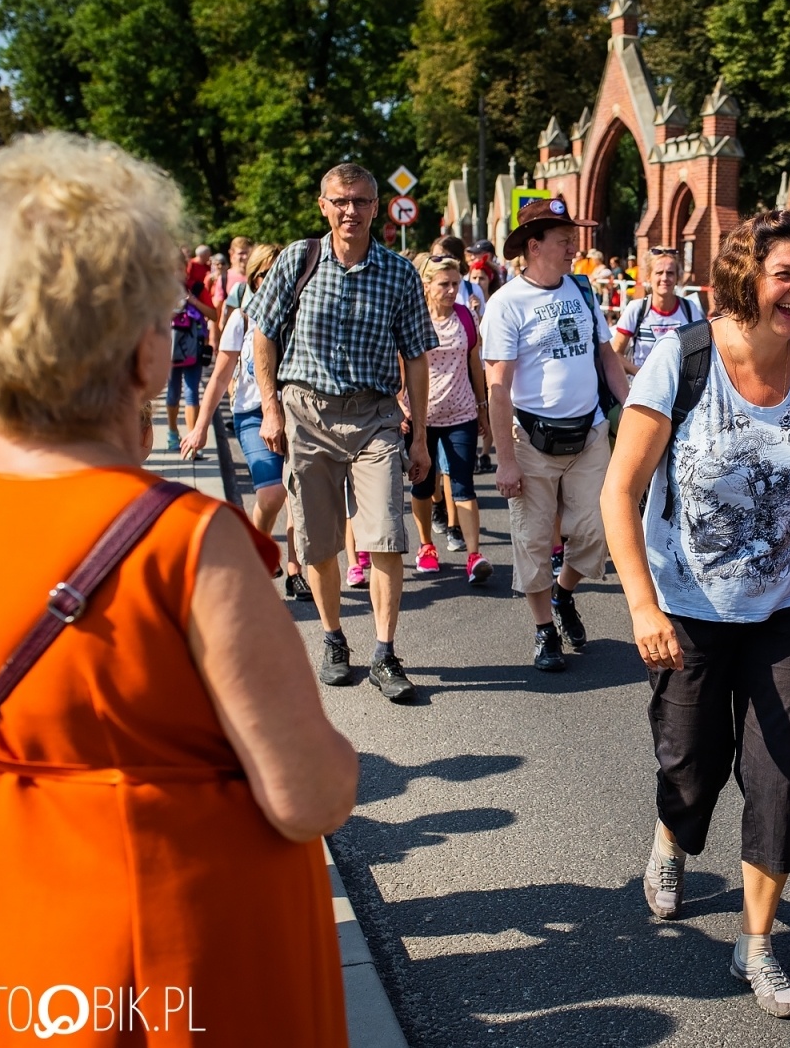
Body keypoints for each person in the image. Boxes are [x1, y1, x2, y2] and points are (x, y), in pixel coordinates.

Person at [0, 130, 359, 1045]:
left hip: (18, 938)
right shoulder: (187, 542)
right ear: (143, 357)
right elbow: (309, 797)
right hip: (198, 958)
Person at [602, 209, 790, 1020]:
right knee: (691, 761)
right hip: (686, 605)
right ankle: (673, 835)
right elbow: (621, 489)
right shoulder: (680, 362)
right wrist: (642, 603)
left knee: (781, 775)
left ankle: (758, 941)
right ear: (744, 280)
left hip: (783, 602)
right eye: (785, 274)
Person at [250, 162, 436, 702]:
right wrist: (270, 407)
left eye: (360, 201)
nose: (350, 210)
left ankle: (384, 652)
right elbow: (262, 334)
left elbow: (417, 357)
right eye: (340, 201)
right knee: (319, 539)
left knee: (385, 537)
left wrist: (419, 434)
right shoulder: (298, 259)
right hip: (305, 413)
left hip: (375, 415)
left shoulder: (399, 273)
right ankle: (334, 638)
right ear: (323, 205)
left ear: (376, 208)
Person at [482, 196, 630, 672]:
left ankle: (564, 593)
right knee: (531, 540)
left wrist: (630, 408)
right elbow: (498, 387)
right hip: (532, 442)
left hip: (589, 434)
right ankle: (545, 629)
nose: (574, 248)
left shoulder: (583, 292)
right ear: (534, 245)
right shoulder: (506, 304)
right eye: (565, 240)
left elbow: (607, 357)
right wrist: (504, 459)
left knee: (594, 532)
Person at [180, 243, 313, 602]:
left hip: (298, 413)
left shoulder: (302, 313)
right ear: (254, 279)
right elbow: (220, 379)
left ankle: (295, 569)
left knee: (298, 494)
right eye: (265, 275)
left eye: (278, 274)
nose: (273, 281)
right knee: (272, 493)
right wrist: (200, 426)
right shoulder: (242, 319)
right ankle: (261, 542)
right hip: (253, 413)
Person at [406, 253, 493, 583]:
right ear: (427, 285)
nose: (452, 289)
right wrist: (403, 406)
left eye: (456, 283)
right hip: (421, 417)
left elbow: (475, 362)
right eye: (444, 283)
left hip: (461, 413)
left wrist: (482, 407)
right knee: (423, 485)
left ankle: (474, 554)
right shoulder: (415, 317)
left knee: (463, 484)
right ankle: (427, 546)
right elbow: (403, 362)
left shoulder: (466, 317)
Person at [612, 248, 701, 375]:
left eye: (670, 273)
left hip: (679, 390)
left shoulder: (689, 309)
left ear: (677, 277)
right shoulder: (636, 309)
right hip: (643, 389)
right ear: (648, 277)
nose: (665, 278)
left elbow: (701, 351)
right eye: (659, 272)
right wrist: (642, 375)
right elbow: (616, 353)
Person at [166, 283, 209, 453]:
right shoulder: (160, 289)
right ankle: (172, 432)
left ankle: (192, 441)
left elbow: (214, 315)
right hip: (171, 352)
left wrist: (194, 302)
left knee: (192, 393)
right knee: (173, 392)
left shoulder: (196, 287)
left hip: (194, 352)